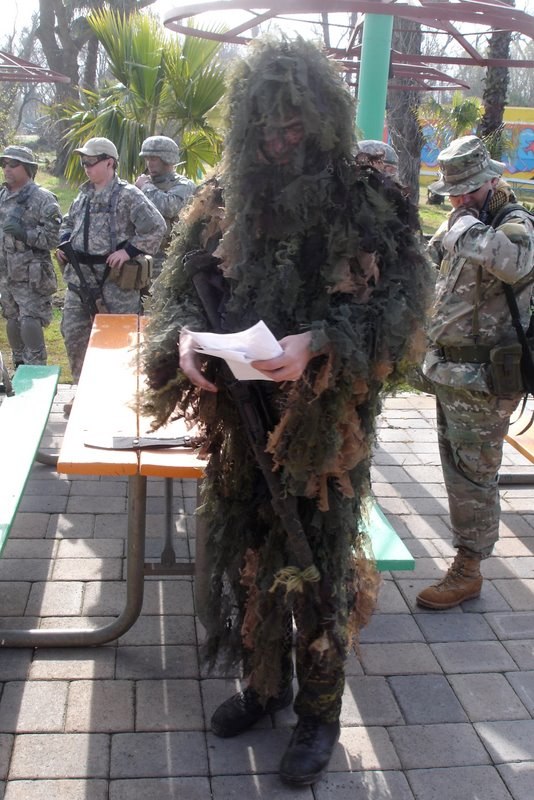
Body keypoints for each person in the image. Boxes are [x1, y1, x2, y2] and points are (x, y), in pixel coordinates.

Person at [142, 37, 430, 786]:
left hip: (323, 428)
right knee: (248, 557)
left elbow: (404, 315)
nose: (278, 144)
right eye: (264, 131)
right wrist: (181, 340)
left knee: (317, 567)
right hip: (239, 421)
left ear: (323, 121)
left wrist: (321, 343)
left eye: (294, 129)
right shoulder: (222, 195)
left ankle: (319, 714)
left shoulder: (368, 199)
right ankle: (266, 686)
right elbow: (176, 286)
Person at [417, 135, 534, 610]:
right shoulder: (467, 216)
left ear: (492, 180)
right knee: (460, 469)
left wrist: (462, 224)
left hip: (486, 377)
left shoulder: (515, 222)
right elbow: (431, 265)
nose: (459, 199)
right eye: (454, 193)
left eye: (467, 190)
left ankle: (469, 568)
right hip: (453, 372)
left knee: (474, 475)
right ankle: (468, 558)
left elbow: (517, 263)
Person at [57, 137, 166, 392]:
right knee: (75, 339)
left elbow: (156, 227)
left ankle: (118, 397)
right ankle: (82, 393)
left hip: (115, 285)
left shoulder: (128, 195)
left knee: (119, 346)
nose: (86, 167)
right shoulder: (83, 194)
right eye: (83, 162)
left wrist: (128, 251)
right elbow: (68, 222)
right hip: (79, 283)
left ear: (110, 163)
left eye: (91, 162)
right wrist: (64, 243)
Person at [0, 145, 61, 367]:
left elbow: (54, 239)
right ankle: (19, 368)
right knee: (12, 321)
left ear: (27, 168)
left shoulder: (42, 199)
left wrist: (26, 234)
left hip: (30, 275)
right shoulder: (2, 195)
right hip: (6, 273)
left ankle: (36, 372)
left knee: (29, 322)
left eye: (13, 164)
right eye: (4, 164)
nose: (7, 169)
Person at [135, 135, 195, 281]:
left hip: (167, 258)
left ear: (167, 159)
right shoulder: (142, 184)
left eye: (154, 159)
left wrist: (145, 187)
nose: (149, 163)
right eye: (147, 159)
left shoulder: (183, 185)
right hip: (140, 255)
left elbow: (169, 207)